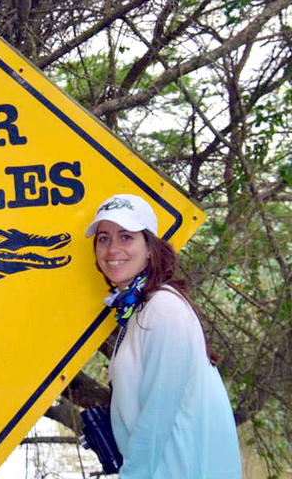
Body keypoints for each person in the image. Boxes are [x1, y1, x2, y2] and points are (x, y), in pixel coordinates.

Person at [85, 194, 242, 479]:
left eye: (126, 237)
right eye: (104, 238)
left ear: (149, 247)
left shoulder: (163, 309)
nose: (112, 249)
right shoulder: (138, 310)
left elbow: (157, 418)